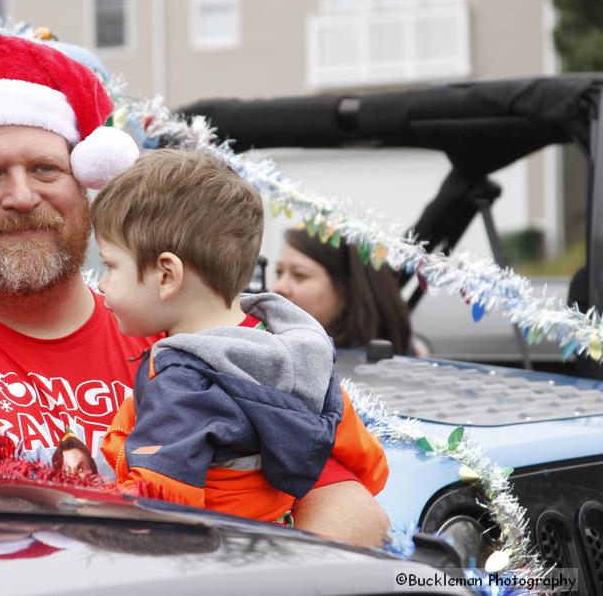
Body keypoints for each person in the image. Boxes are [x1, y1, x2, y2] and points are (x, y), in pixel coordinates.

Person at [0, 28, 390, 546]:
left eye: (46, 170)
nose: (21, 196)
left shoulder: (193, 336)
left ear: (86, 185)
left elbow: (347, 504)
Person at [91, 149, 388, 525]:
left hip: (213, 559)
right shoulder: (297, 350)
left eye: (110, 266)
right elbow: (367, 461)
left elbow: (159, 503)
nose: (102, 284)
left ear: (167, 275)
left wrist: (86, 507)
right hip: (278, 535)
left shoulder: (185, 383)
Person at [273, 228, 413, 355]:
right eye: (279, 273)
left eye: (299, 275)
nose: (278, 287)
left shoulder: (367, 371)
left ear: (346, 288)